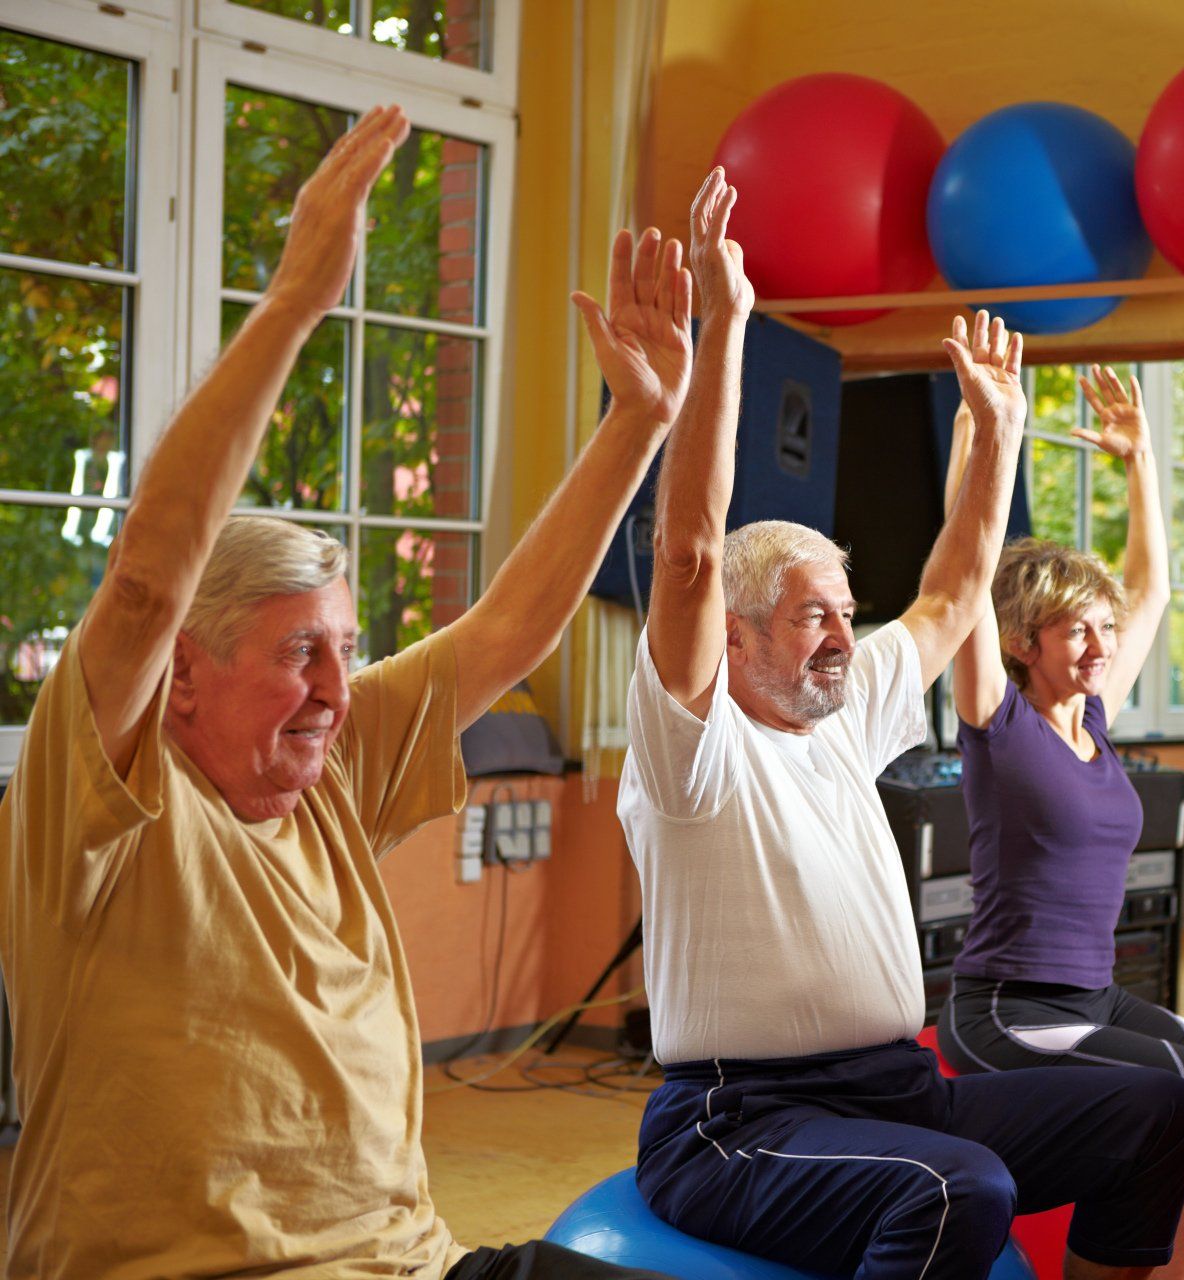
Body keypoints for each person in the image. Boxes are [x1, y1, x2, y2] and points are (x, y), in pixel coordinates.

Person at [0, 107, 700, 1279]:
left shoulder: (333, 765)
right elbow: (139, 583)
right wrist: (291, 309)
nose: (336, 688)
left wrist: (638, 421)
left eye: (346, 646)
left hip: (409, 1259)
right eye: (296, 654)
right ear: (182, 675)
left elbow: (512, 628)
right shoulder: (103, 798)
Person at [615, 168, 1184, 1280]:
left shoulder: (844, 713)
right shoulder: (692, 746)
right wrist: (726, 328)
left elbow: (951, 593)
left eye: (845, 611)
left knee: (1159, 1110)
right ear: (732, 639)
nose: (842, 635)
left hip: (897, 1084)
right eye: (809, 617)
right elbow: (690, 551)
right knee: (956, 1187)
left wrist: (998, 430)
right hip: (738, 1118)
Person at [934, 369, 1184, 1279]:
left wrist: (1138, 463)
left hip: (1094, 1000)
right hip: (1008, 1010)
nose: (1100, 645)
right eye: (1077, 632)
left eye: (1104, 628)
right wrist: (986, 434)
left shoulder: (1094, 718)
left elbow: (1154, 586)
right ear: (1024, 642)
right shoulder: (997, 721)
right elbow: (965, 574)